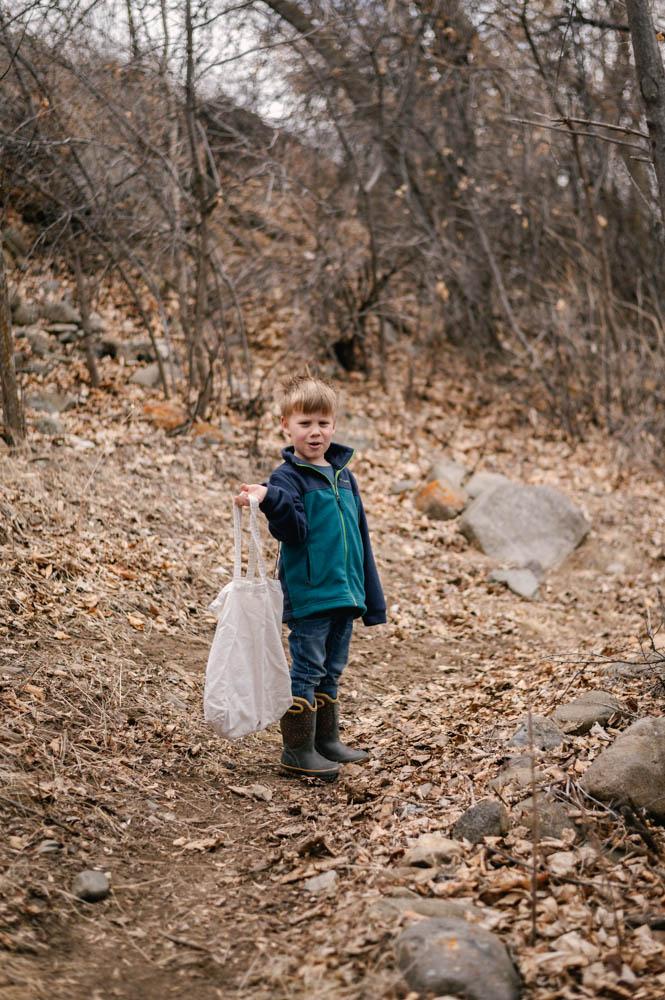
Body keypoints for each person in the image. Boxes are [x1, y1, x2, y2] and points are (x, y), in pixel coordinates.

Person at [234, 375, 386, 782]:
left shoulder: (343, 476)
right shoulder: (288, 478)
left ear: (333, 425)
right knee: (307, 667)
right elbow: (292, 531)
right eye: (305, 423)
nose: (315, 432)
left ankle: (326, 741)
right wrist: (269, 498)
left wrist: (370, 595)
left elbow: (361, 539)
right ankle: (296, 749)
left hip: (344, 590)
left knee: (333, 666)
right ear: (286, 425)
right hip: (310, 593)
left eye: (322, 422)